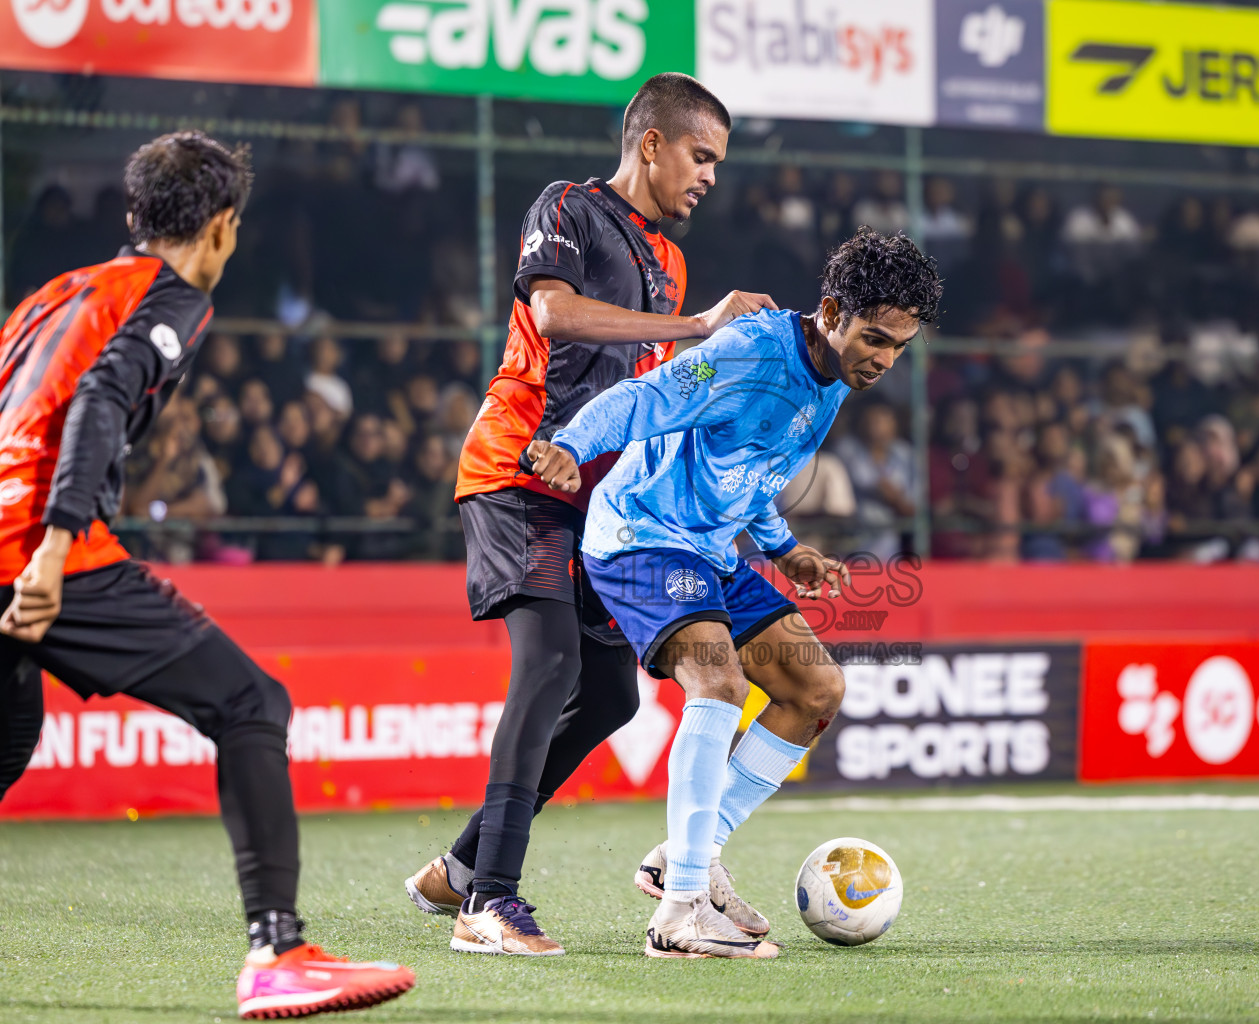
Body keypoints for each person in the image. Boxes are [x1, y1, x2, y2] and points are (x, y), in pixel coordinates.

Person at [0, 132, 414, 1018]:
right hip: (37, 548)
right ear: (222, 228)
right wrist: (56, 543)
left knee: (5, 739)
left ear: (131, 215)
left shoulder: (54, 295)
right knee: (251, 703)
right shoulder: (172, 296)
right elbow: (103, 401)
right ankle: (279, 951)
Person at [403, 73, 777, 957]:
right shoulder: (568, 206)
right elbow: (554, 313)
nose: (710, 176)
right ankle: (489, 904)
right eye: (701, 155)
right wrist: (697, 326)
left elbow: (651, 395)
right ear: (651, 143)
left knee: (607, 697)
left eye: (718, 162)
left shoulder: (672, 259)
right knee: (547, 668)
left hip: (597, 506)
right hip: (518, 473)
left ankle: (459, 868)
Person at [525, 229, 942, 958]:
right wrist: (571, 443)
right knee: (716, 683)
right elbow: (641, 399)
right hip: (641, 533)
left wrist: (783, 548)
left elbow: (746, 465)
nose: (884, 360)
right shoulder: (749, 352)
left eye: (899, 347)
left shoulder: (836, 378)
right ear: (832, 308)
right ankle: (682, 912)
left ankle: (684, 856)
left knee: (816, 690)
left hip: (711, 548)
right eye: (875, 338)